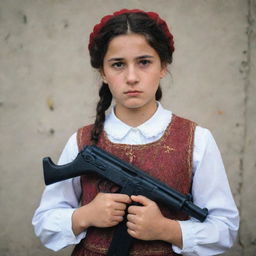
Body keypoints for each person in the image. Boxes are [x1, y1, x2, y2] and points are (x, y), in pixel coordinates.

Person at [32, 9, 239, 256]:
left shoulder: (197, 140)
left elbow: (224, 228)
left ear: (163, 66)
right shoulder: (82, 142)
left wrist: (166, 229)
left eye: (144, 62)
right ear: (103, 73)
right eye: (118, 64)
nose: (131, 77)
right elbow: (45, 223)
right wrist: (85, 215)